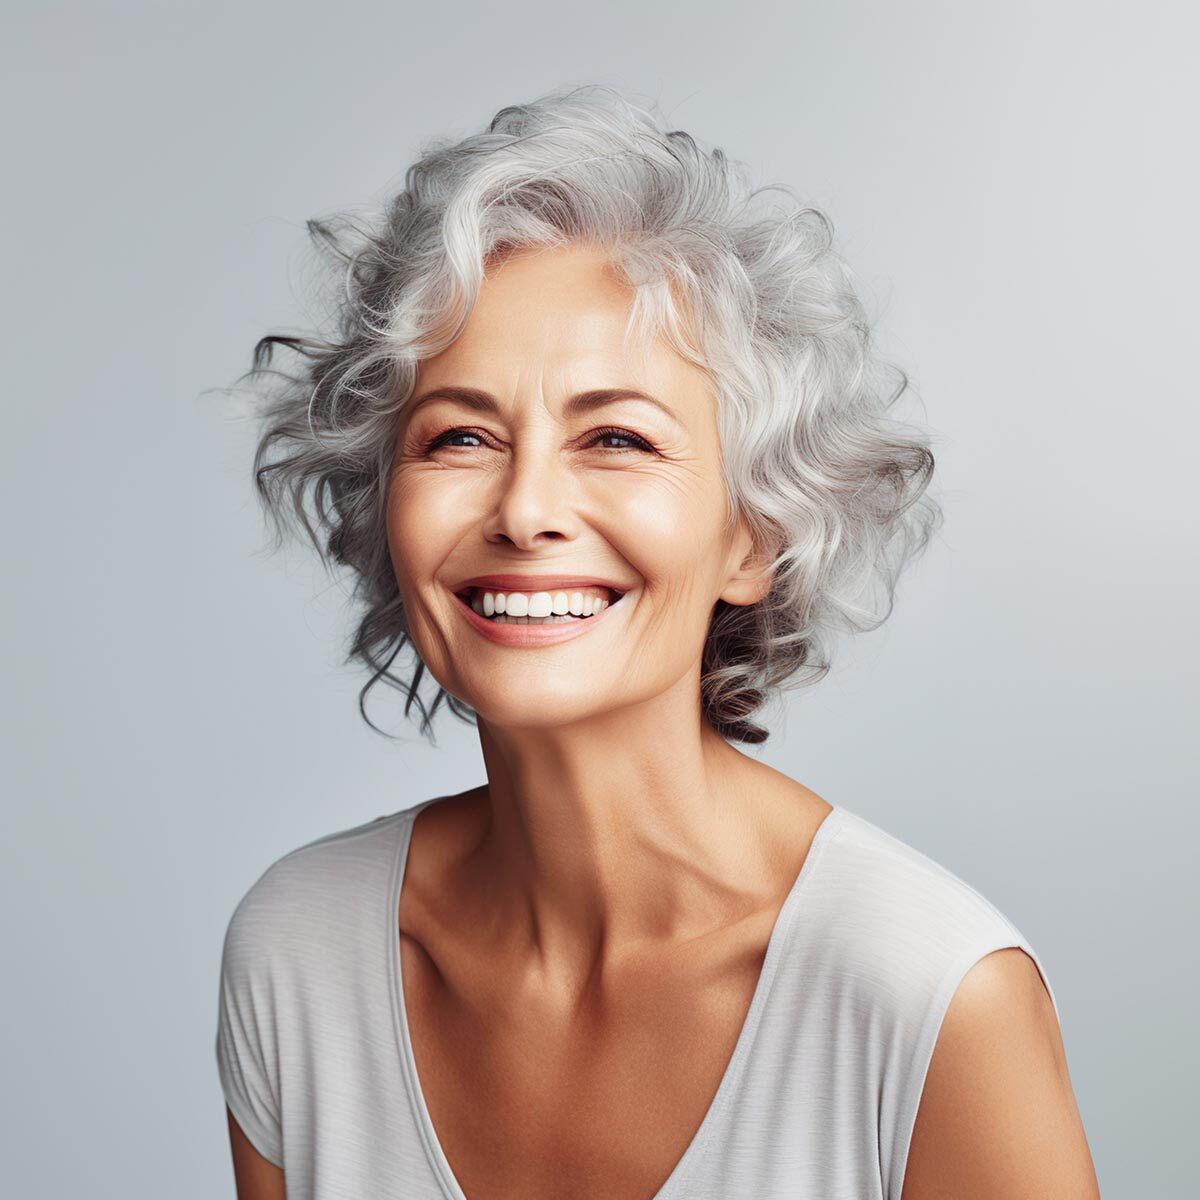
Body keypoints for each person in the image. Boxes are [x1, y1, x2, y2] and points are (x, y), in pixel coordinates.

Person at [215, 84, 1100, 1199]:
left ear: (755, 534)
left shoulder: (927, 998)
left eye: (618, 437)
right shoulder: (301, 955)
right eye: (461, 437)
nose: (525, 508)